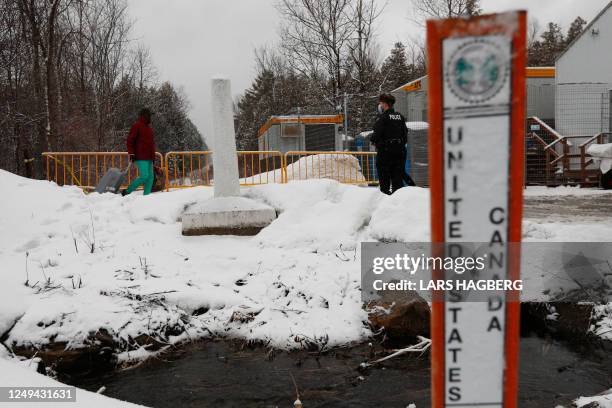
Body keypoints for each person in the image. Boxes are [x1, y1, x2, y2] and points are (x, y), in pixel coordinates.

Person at [370, 94, 408, 195]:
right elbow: (405, 135)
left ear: (384, 104)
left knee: (384, 178)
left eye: (380, 103)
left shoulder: (383, 118)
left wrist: (377, 142)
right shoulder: (400, 117)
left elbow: (375, 136)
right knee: (397, 179)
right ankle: (398, 199)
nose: (380, 105)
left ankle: (386, 199)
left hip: (385, 153)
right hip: (400, 152)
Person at [123, 108, 156, 196]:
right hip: (140, 156)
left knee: (150, 178)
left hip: (149, 157)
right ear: (145, 115)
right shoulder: (136, 126)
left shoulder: (149, 129)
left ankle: (146, 196)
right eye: (149, 115)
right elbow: (130, 141)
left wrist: (153, 157)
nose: (150, 117)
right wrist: (132, 153)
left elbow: (152, 145)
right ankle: (127, 191)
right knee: (144, 176)